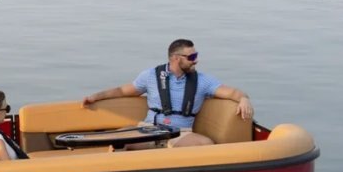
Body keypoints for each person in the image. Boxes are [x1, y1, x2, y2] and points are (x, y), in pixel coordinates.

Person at [81, 39, 254, 148]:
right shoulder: (150, 75)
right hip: (148, 129)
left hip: (180, 134)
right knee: (117, 140)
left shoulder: (203, 81)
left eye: (196, 55)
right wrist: (95, 97)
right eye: (191, 57)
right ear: (176, 58)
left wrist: (243, 98)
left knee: (206, 145)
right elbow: (121, 90)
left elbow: (232, 92)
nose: (196, 60)